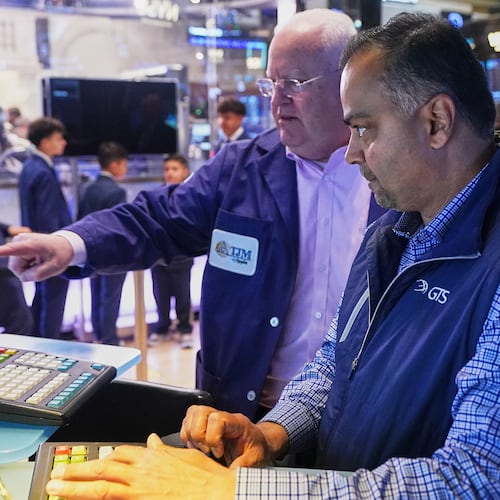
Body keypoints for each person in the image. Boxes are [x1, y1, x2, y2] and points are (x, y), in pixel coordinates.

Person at [41, 12, 500, 499]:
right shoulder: (397, 227)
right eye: (271, 84)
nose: (353, 152)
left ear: (436, 121)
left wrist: (232, 491)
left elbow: (475, 477)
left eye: (364, 128)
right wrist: (272, 432)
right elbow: (339, 360)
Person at [0, 9, 383, 420]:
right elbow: (158, 220)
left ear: (347, 82)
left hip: (359, 421)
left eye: (292, 83)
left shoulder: (392, 176)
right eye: (271, 83)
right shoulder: (242, 169)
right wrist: (68, 244)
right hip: (243, 416)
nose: (276, 101)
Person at [18, 116, 71, 338]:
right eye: (58, 138)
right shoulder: (42, 171)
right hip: (49, 247)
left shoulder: (30, 166)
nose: (64, 143)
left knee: (42, 299)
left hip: (35, 245)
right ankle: (51, 349)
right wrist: (56, 248)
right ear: (44, 142)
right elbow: (48, 217)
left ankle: (38, 346)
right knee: (53, 302)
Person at [78, 142, 129, 345]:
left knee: (97, 295)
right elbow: (118, 226)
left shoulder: (88, 189)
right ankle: (110, 340)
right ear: (115, 165)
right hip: (111, 253)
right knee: (110, 298)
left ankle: (99, 335)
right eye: (124, 164)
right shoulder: (116, 192)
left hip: (90, 252)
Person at [149, 153, 194, 349]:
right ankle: (162, 328)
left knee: (183, 296)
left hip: (182, 256)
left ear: (185, 172)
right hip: (159, 257)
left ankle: (185, 329)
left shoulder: (191, 195)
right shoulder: (156, 196)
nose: (169, 173)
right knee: (161, 296)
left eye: (174, 169)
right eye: (167, 169)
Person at [0, 221, 33, 334]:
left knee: (21, 322)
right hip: (5, 275)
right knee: (21, 324)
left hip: (8, 272)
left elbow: (18, 230)